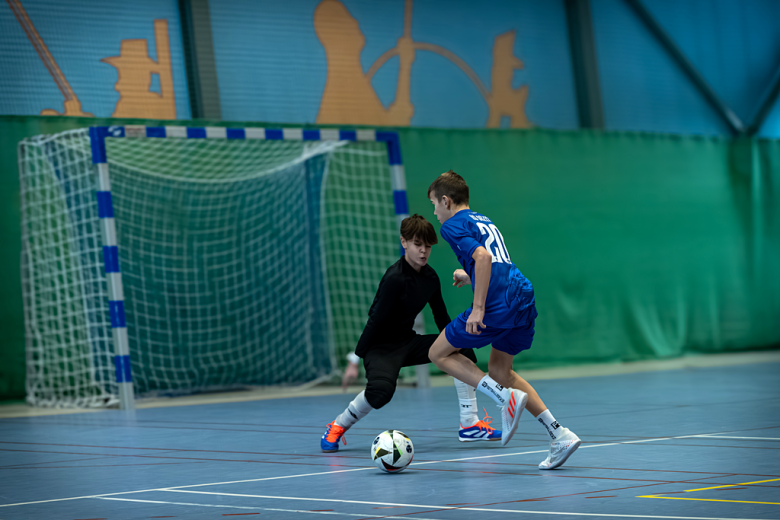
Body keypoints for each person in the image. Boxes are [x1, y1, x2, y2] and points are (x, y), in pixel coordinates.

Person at [426, 171, 581, 470]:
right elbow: (495, 264)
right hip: (521, 291)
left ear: (446, 201)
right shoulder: (482, 219)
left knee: (438, 353)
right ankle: (559, 433)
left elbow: (483, 258)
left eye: (434, 203)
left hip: (498, 302)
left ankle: (501, 398)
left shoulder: (451, 225)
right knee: (499, 369)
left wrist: (478, 308)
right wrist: (469, 276)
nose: (434, 211)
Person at [321, 215, 502, 452]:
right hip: (381, 347)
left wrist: (454, 345)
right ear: (404, 242)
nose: (423, 251)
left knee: (462, 350)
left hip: (408, 341)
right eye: (418, 244)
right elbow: (375, 319)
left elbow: (440, 316)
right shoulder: (394, 277)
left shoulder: (430, 277)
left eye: (427, 246)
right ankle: (338, 425)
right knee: (381, 393)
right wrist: (355, 359)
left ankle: (469, 424)